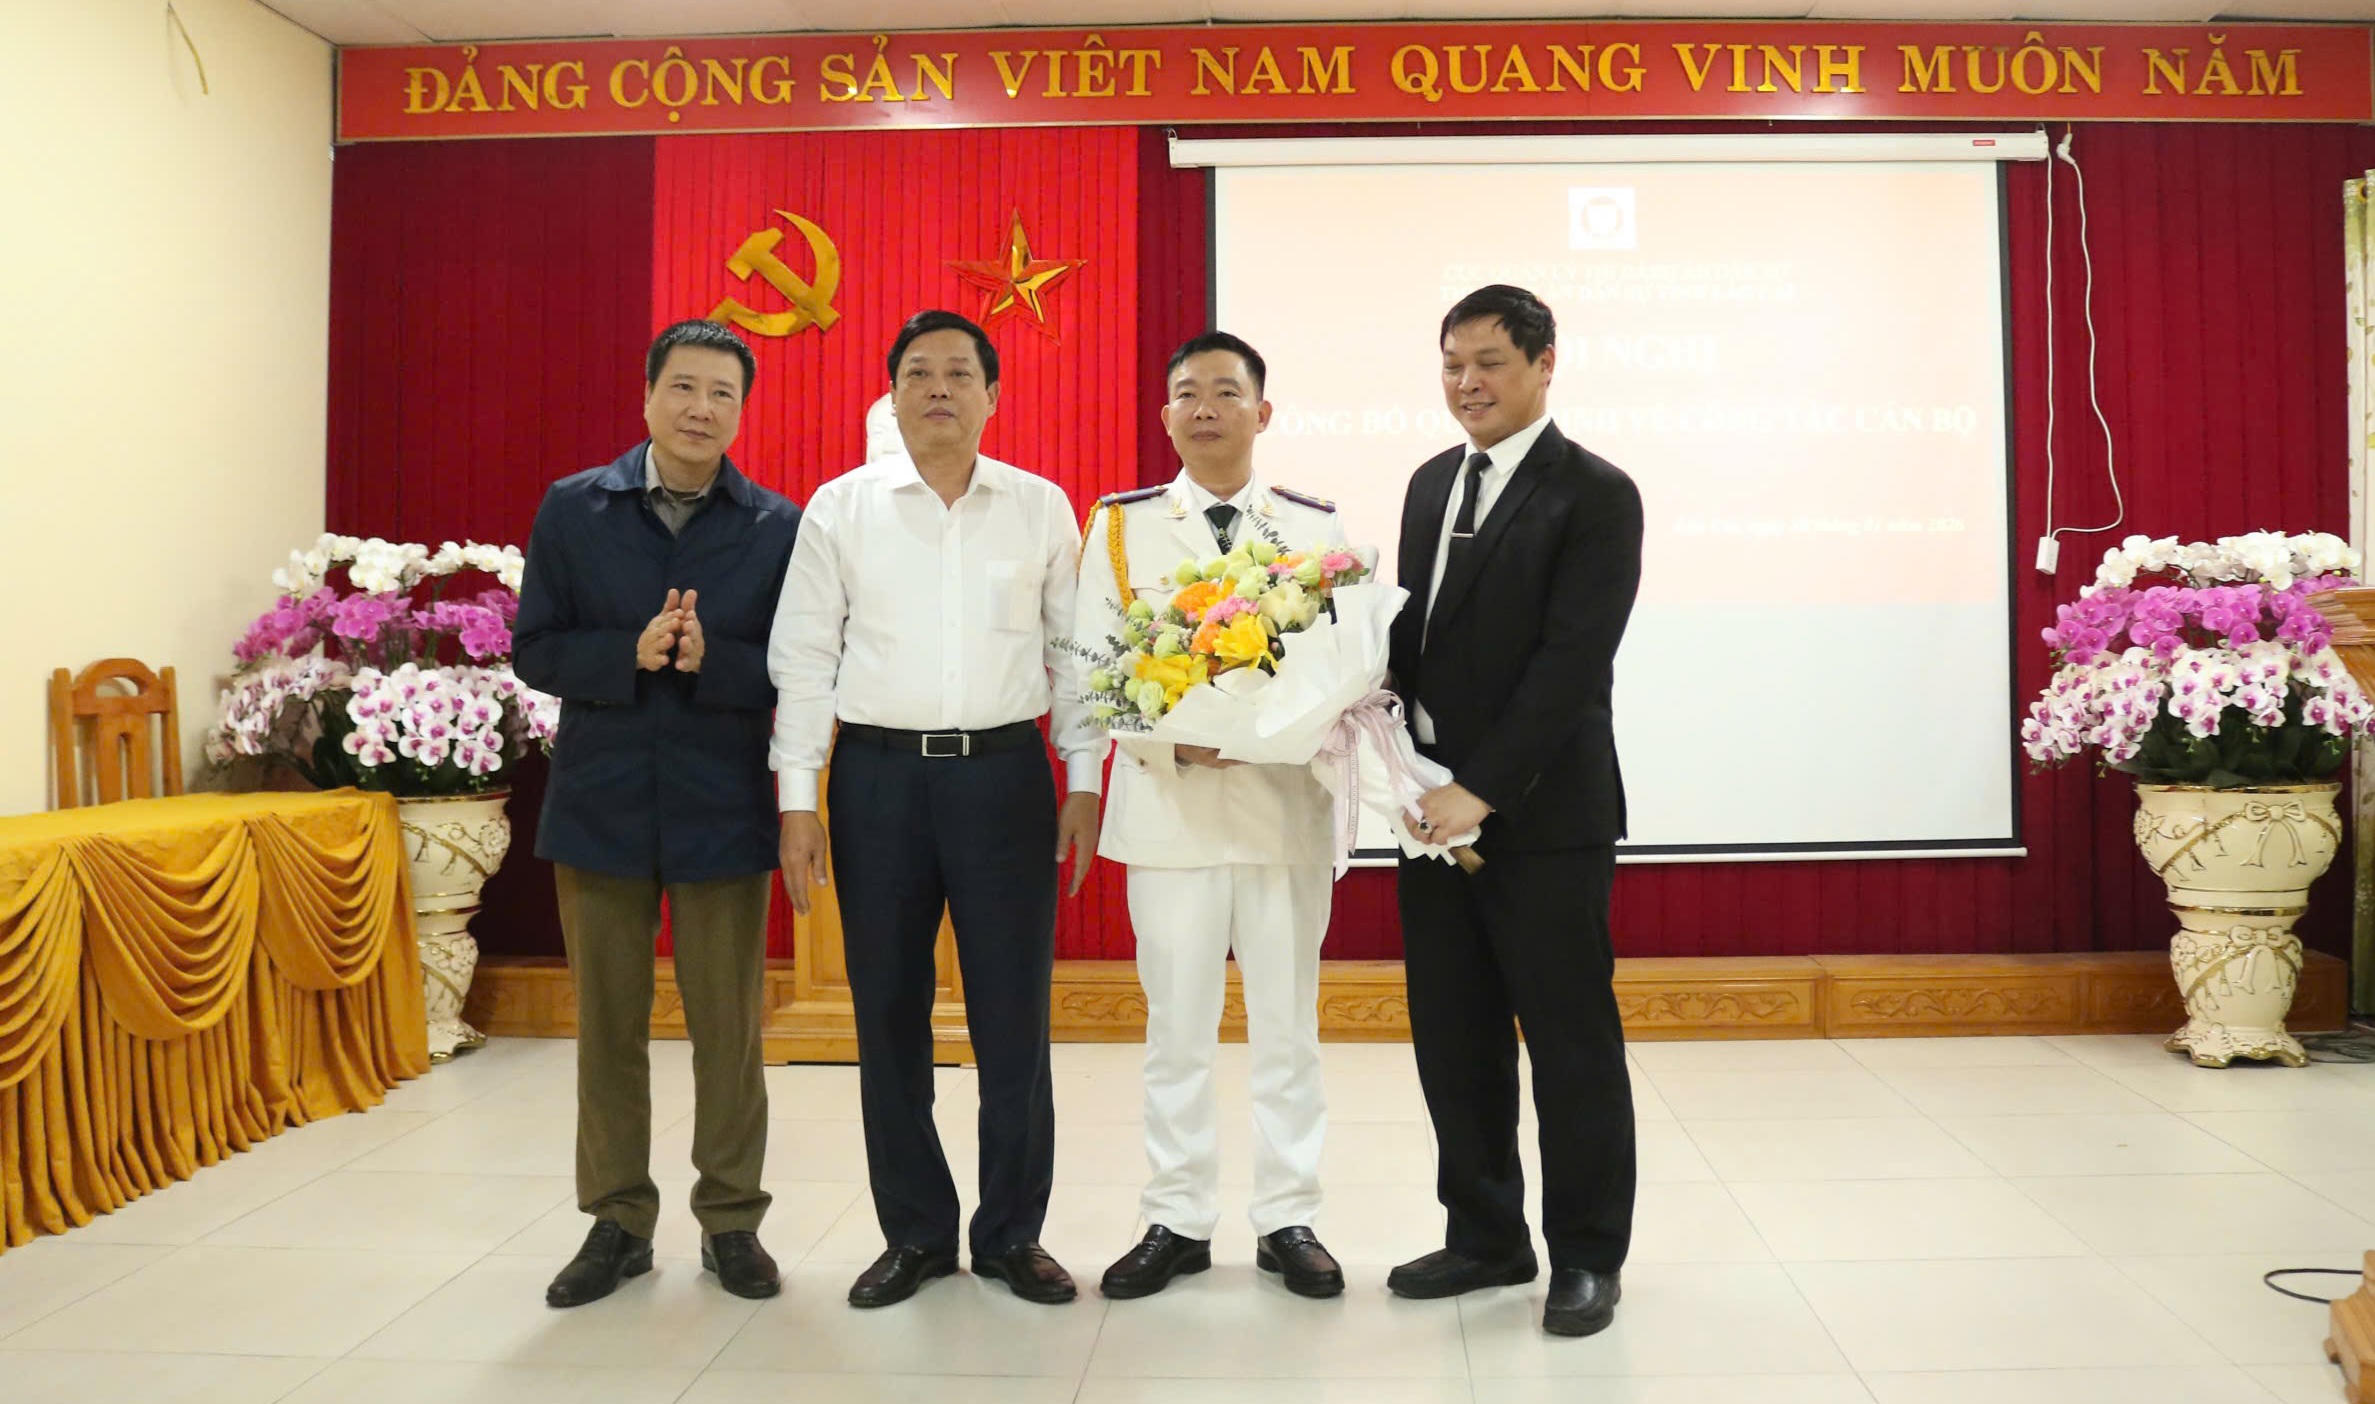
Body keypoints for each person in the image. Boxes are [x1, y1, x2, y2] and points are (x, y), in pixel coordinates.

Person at [767, 309, 1105, 1309]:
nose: (939, 389)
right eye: (918, 372)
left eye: (960, 372)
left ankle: (1011, 1235)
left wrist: (1084, 777)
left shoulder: (1039, 507)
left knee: (1013, 1016)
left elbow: (1075, 655)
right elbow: (803, 659)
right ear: (892, 393)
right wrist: (797, 798)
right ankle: (914, 1234)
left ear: (992, 395)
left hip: (1004, 778)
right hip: (876, 781)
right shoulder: (840, 509)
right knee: (886, 1012)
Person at [514, 318, 803, 1308]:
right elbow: (534, 648)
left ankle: (731, 1220)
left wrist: (712, 661)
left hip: (721, 802)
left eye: (722, 393)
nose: (700, 409)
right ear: (646, 396)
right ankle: (617, 1220)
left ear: (741, 412)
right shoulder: (574, 508)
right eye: (683, 387)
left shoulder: (774, 526)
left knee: (728, 1029)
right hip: (601, 804)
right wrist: (623, 655)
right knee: (609, 1025)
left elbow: (799, 665)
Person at [1384, 285, 1644, 1338]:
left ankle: (1585, 1255)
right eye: (1451, 363)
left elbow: (1570, 665)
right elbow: (1412, 640)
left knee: (1570, 1045)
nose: (1466, 383)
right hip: (1427, 814)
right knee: (1455, 1041)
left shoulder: (1596, 493)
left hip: (1543, 819)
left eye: (1488, 362)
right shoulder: (1427, 483)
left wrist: (1479, 789)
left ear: (1543, 365)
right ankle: (1485, 1235)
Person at [1076, 332, 1348, 1301]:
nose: (1204, 408)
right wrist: (1170, 744)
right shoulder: (1120, 528)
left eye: (1226, 392)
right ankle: (1176, 1218)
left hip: (1282, 812)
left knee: (1287, 1029)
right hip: (1170, 813)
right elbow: (1090, 668)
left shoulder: (1314, 529)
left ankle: (1287, 1217)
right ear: (1164, 416)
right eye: (1186, 392)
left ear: (1260, 413)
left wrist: (1290, 723)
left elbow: (1344, 666)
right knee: (1176, 1031)